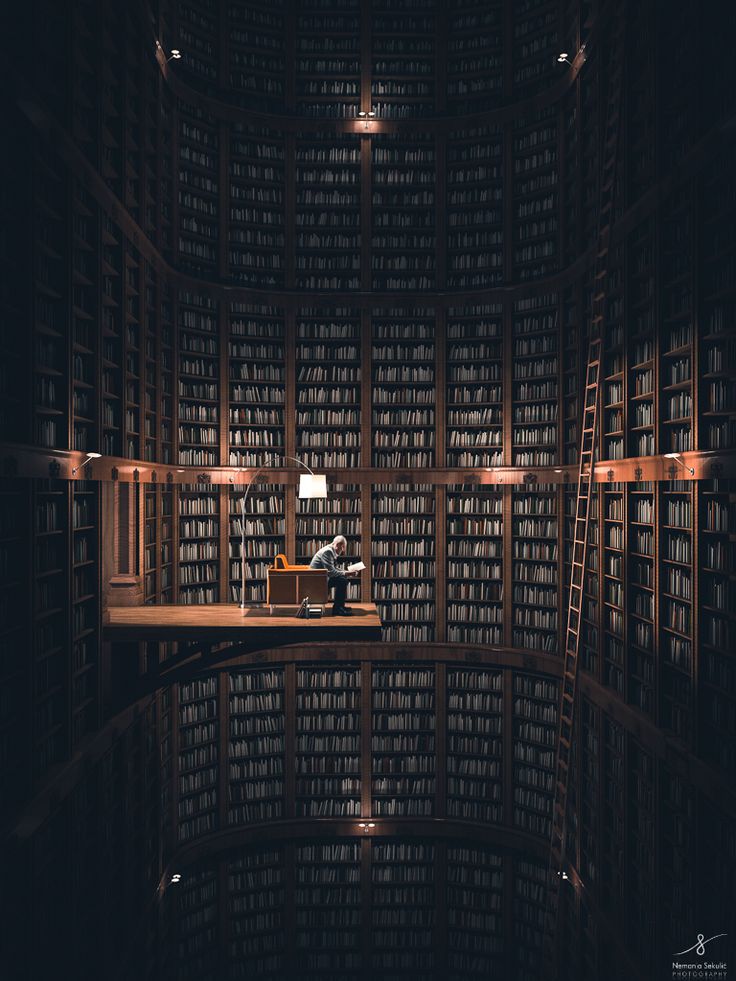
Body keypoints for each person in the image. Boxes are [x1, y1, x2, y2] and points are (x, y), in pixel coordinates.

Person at [309, 535, 358, 616]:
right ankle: (337, 609)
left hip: (321, 578)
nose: (343, 550)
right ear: (337, 545)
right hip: (317, 581)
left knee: (342, 579)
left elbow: (334, 568)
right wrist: (348, 573)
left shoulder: (330, 550)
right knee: (342, 580)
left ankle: (340, 607)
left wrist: (347, 572)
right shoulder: (327, 552)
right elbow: (331, 573)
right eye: (342, 547)